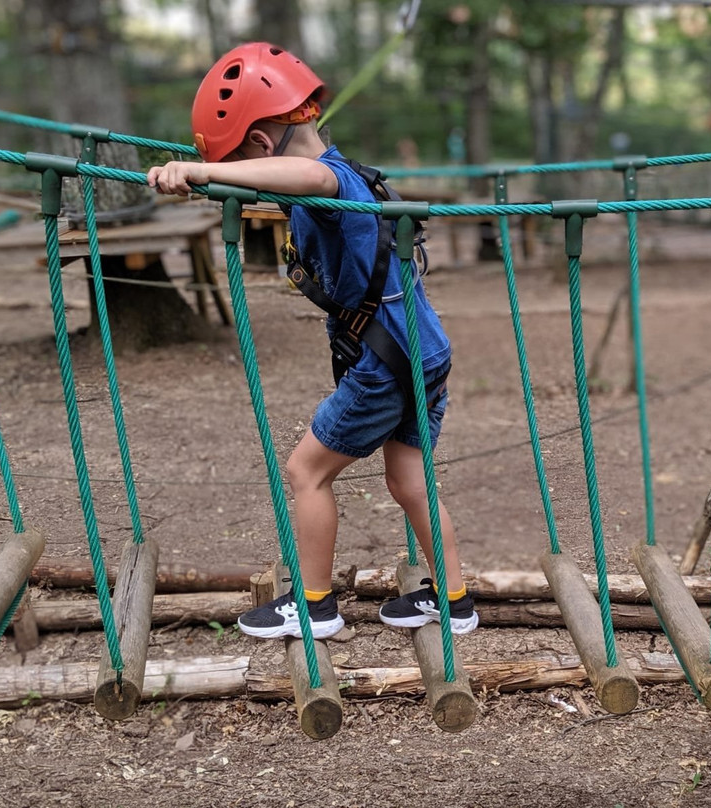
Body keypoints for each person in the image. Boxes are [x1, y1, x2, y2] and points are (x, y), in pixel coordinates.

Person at [147, 42, 478, 639]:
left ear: (258, 144)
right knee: (409, 481)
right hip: (422, 350)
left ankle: (316, 607)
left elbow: (306, 174)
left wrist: (202, 170)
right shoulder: (350, 173)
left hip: (387, 358)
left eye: (240, 160)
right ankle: (455, 602)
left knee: (307, 473)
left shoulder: (326, 178)